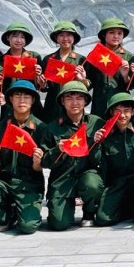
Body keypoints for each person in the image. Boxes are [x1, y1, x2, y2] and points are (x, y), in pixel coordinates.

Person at [0, 81, 46, 234]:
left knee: (28, 227)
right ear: (10, 99)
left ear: (33, 100)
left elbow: (43, 165)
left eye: (26, 97)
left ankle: (25, 213)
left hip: (29, 184)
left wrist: (38, 162)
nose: (22, 100)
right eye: (17, 96)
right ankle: (8, 216)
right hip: (4, 182)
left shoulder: (41, 129)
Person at [42, 82, 104, 230]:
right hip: (62, 178)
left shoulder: (96, 123)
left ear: (86, 101)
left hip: (88, 174)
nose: (74, 102)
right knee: (59, 223)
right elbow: (44, 161)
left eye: (79, 98)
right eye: (69, 98)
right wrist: (57, 150)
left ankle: (89, 212)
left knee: (92, 184)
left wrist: (96, 144)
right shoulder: (52, 128)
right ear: (62, 101)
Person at [92, 93, 134, 226]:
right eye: (117, 111)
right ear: (111, 112)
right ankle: (126, 211)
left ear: (133, 111)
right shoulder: (105, 133)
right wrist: (96, 143)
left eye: (126, 110)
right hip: (117, 183)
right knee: (103, 219)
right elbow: (96, 161)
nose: (122, 115)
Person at [0, 22, 45, 124]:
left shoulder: (34, 57)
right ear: (8, 37)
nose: (19, 40)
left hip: (32, 106)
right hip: (9, 106)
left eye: (22, 37)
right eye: (15, 36)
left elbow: (43, 86)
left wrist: (39, 77)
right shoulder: (0, 62)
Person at [40, 21, 89, 123]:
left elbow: (88, 85)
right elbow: (44, 87)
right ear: (56, 38)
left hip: (73, 105)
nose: (65, 38)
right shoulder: (48, 59)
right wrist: (42, 84)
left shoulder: (81, 60)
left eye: (69, 35)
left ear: (74, 38)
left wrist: (82, 80)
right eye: (61, 35)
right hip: (52, 106)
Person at [88, 18, 134, 116]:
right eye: (111, 32)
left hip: (120, 104)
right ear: (104, 34)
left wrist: (125, 75)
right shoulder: (95, 55)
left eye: (119, 33)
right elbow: (89, 81)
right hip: (99, 104)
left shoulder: (128, 57)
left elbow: (131, 86)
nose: (116, 36)